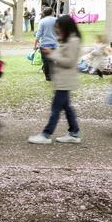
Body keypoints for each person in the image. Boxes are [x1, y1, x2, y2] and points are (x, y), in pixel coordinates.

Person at [29, 15, 82, 145]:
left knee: (56, 108)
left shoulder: (73, 41)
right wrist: (52, 52)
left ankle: (46, 134)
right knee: (67, 107)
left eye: (58, 28)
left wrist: (52, 54)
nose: (57, 30)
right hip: (62, 81)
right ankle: (74, 132)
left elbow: (70, 61)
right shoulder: (68, 40)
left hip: (65, 81)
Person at [34, 7, 57, 81]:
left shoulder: (42, 21)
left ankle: (48, 76)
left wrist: (35, 44)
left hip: (44, 44)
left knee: (46, 61)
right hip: (54, 44)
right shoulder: (56, 20)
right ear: (52, 12)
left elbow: (39, 33)